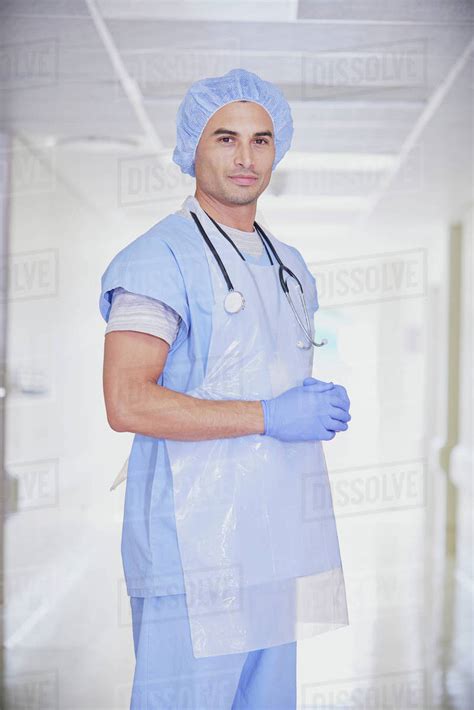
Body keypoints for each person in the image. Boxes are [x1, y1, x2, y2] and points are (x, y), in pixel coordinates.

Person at [99, 68, 351, 710]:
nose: (245, 157)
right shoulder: (158, 259)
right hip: (194, 547)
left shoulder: (289, 264)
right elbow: (126, 402)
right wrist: (269, 414)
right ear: (193, 147)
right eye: (226, 138)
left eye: (261, 140)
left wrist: (310, 405)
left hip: (276, 538)